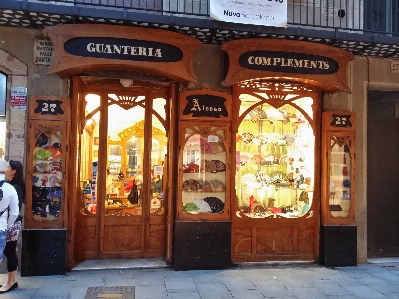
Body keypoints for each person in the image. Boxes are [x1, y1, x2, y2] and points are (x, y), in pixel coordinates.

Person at [0, 160, 22, 294]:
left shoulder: (14, 187)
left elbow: (15, 210)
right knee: (8, 252)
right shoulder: (10, 186)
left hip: (10, 224)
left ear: (13, 171)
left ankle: (11, 281)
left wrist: (8, 225)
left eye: (9, 167)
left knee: (10, 251)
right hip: (8, 223)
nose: (7, 169)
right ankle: (11, 281)